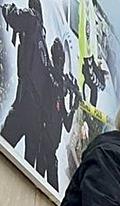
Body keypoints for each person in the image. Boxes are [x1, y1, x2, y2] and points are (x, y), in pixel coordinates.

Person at [0, 0, 50, 165]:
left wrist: (7, 8)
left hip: (26, 101)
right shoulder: (42, 39)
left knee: (4, 145)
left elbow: (14, 17)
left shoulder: (32, 18)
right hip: (36, 113)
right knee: (28, 168)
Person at [36, 38, 80, 190]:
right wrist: (65, 83)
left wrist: (74, 106)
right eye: (58, 57)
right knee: (40, 180)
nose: (60, 61)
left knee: (48, 186)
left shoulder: (60, 102)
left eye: (62, 58)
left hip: (51, 147)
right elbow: (51, 90)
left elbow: (67, 126)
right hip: (43, 141)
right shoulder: (49, 76)